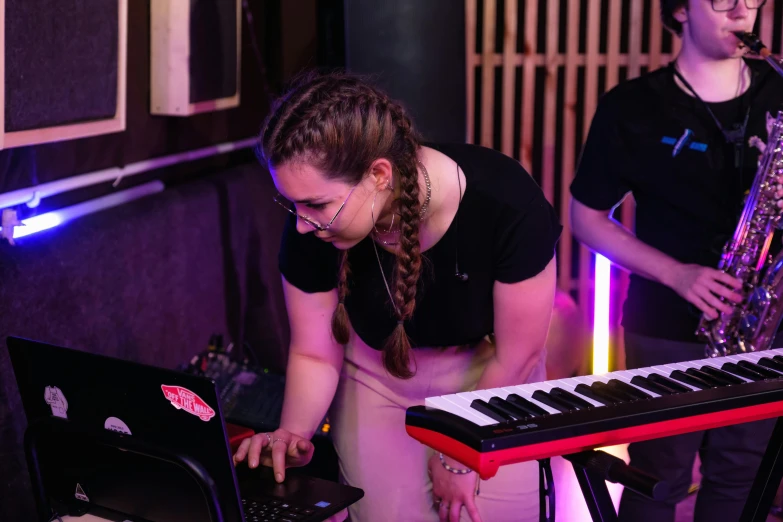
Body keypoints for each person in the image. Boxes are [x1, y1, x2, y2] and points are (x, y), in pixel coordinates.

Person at [232, 70, 562, 522]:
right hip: (377, 380)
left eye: (317, 206)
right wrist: (291, 434)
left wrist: (459, 455)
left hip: (489, 380)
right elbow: (313, 351)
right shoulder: (309, 226)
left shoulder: (505, 202)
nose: (302, 224)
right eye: (293, 206)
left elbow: (519, 355)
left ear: (379, 174)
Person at [569, 1, 783, 521]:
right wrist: (676, 274)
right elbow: (586, 218)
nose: (742, 11)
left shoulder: (777, 91)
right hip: (663, 326)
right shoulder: (635, 106)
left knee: (743, 474)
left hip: (762, 327)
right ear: (680, 10)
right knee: (655, 481)